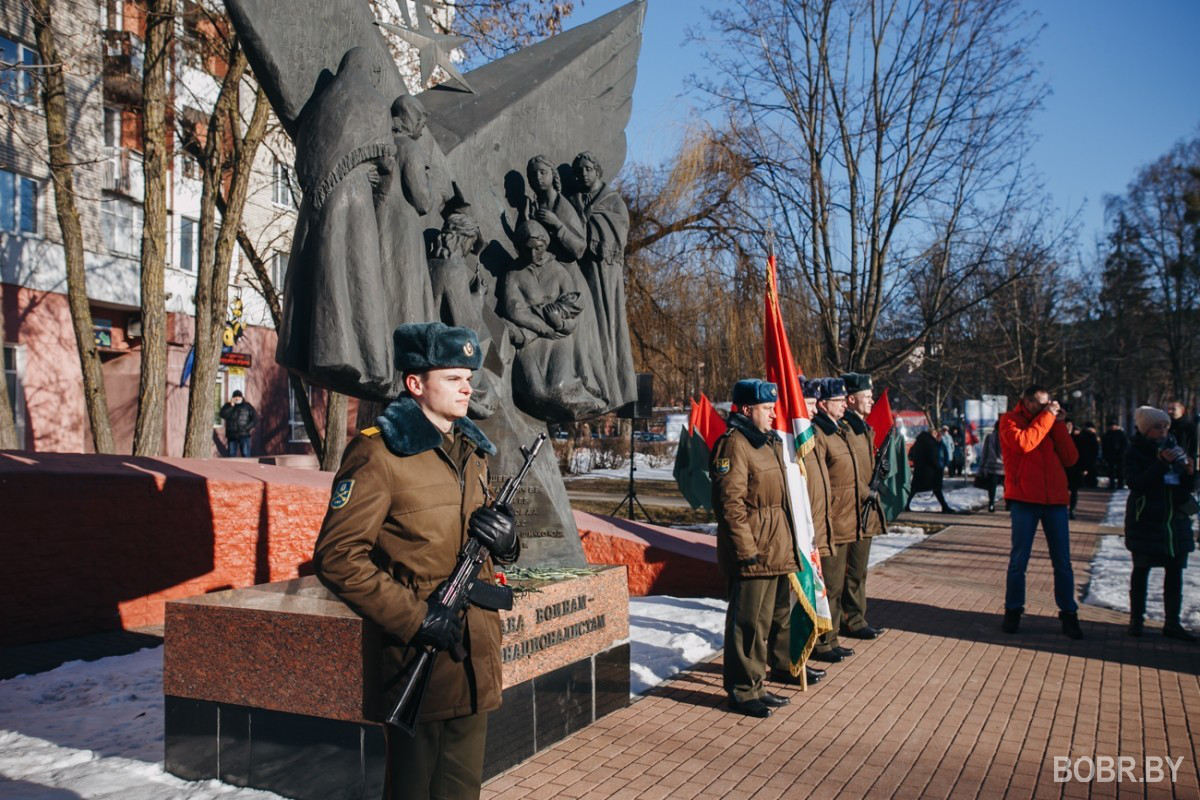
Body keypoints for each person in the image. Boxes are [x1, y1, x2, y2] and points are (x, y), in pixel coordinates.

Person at [313, 322, 520, 800]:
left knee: (462, 790)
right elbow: (338, 557)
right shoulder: (379, 452)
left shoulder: (470, 449)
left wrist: (508, 541)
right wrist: (417, 617)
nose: (468, 385)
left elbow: (476, 543)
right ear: (415, 383)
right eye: (453, 377)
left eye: (468, 375)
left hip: (473, 659)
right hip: (417, 661)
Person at [711, 379, 803, 717]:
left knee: (763, 624)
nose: (774, 413)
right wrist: (745, 550)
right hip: (753, 552)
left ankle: (756, 685)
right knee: (746, 625)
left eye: (773, 407)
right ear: (747, 410)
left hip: (775, 548)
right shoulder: (734, 445)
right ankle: (740, 690)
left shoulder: (769, 443)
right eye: (767, 408)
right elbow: (729, 505)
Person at [998, 385, 1082, 639]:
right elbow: (1025, 443)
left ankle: (1069, 613)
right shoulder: (1009, 421)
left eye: (1046, 403)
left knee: (1063, 562)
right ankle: (1013, 609)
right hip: (1024, 498)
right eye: (1038, 403)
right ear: (1025, 401)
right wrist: (1048, 418)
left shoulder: (1049, 422)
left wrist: (1058, 424)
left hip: (1054, 500)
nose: (1043, 407)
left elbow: (1070, 458)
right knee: (1019, 560)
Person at [1123, 406, 1197, 641]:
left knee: (1175, 573)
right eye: (1157, 427)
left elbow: (1187, 487)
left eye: (1166, 425)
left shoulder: (1176, 448)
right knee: (1142, 570)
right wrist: (1160, 464)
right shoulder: (1134, 451)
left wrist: (1190, 472)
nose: (1163, 430)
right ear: (1145, 430)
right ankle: (1136, 620)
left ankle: (1172, 622)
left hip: (1175, 521)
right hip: (1146, 520)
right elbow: (1136, 483)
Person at [808, 378, 858, 664]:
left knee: (837, 584)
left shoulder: (840, 430)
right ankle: (823, 641)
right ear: (823, 404)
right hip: (830, 520)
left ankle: (832, 636)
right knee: (828, 585)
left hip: (841, 517)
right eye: (838, 400)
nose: (843, 404)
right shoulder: (820, 433)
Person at [839, 372, 886, 640]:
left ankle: (855, 617)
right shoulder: (845, 428)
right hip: (850, 506)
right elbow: (847, 471)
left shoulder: (862, 427)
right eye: (866, 396)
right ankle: (850, 620)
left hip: (863, 506)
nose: (871, 401)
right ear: (851, 399)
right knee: (849, 571)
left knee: (859, 569)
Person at [907, 428, 958, 514]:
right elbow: (932, 457)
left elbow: (911, 454)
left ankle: (906, 504)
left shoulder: (919, 441)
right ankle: (945, 507)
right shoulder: (931, 443)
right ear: (932, 434)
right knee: (936, 488)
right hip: (930, 471)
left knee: (915, 489)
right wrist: (938, 467)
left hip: (920, 469)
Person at [219, 390, 256, 457]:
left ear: (242, 397)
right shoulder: (228, 405)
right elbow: (222, 415)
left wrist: (246, 428)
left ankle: (247, 467)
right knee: (231, 455)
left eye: (238, 396)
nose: (237, 398)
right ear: (233, 398)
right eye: (235, 397)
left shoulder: (247, 406)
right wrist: (231, 406)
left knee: (246, 454)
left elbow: (254, 419)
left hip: (244, 434)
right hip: (232, 435)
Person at [977, 428, 1004, 513]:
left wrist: (981, 467)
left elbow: (985, 452)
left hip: (992, 466)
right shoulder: (1006, 436)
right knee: (1007, 487)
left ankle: (991, 504)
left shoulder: (989, 437)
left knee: (992, 488)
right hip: (1004, 467)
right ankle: (1008, 504)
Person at [1101, 419, 1130, 490]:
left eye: (1113, 426)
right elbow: (1104, 446)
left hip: (1120, 456)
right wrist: (1105, 455)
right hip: (1110, 456)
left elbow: (1125, 445)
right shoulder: (1107, 435)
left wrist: (1123, 453)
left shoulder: (1121, 434)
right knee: (1111, 471)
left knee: (1120, 471)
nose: (1112, 427)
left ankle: (1120, 484)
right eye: (1111, 426)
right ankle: (1112, 484)